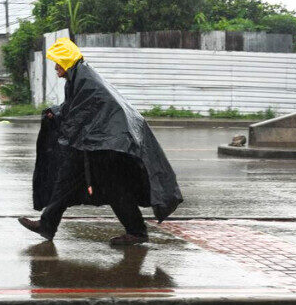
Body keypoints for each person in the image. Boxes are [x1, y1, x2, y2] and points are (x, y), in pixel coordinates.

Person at [18, 38, 183, 245]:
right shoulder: (77, 78)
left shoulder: (85, 79)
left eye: (58, 62)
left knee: (113, 188)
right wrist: (57, 114)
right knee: (67, 181)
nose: (55, 67)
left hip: (107, 143)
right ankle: (47, 225)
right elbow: (76, 108)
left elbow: (86, 110)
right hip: (94, 142)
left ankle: (137, 232)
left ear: (67, 61)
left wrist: (62, 119)